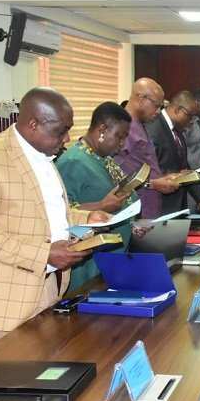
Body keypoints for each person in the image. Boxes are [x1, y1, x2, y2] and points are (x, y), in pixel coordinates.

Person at [0, 87, 108, 344]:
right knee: (16, 369)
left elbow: (46, 213)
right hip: (9, 297)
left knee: (50, 364)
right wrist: (43, 254)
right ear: (34, 124)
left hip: (50, 283)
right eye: (60, 130)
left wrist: (85, 219)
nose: (67, 137)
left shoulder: (44, 156)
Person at [56, 102, 140, 292]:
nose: (122, 144)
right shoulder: (73, 162)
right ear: (102, 129)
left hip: (112, 259)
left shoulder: (103, 158)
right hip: (88, 265)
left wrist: (132, 224)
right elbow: (61, 213)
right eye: (119, 136)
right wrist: (101, 206)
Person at [113, 78, 181, 219]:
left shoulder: (140, 125)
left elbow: (141, 165)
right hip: (136, 212)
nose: (159, 111)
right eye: (157, 105)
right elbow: (115, 175)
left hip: (150, 209)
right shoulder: (124, 129)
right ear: (142, 99)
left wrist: (164, 178)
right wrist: (153, 184)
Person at [145, 91, 200, 215]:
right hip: (160, 206)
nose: (192, 121)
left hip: (178, 207)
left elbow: (184, 168)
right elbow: (149, 168)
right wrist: (177, 175)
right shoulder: (153, 128)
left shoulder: (177, 131)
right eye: (190, 116)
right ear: (177, 110)